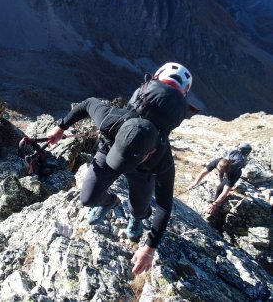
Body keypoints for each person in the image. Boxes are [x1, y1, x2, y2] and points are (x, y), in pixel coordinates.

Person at [47, 62, 193, 275]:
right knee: (87, 199)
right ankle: (111, 202)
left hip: (139, 168)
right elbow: (88, 103)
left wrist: (150, 248)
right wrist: (60, 126)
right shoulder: (111, 120)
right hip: (111, 150)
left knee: (140, 210)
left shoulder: (161, 159)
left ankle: (137, 216)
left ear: (148, 153)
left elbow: (163, 206)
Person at [186, 142, 252, 214]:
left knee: (220, 188)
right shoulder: (216, 161)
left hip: (234, 173)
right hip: (227, 167)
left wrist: (214, 204)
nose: (220, 171)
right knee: (221, 182)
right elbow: (203, 173)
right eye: (219, 169)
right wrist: (194, 183)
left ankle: (216, 207)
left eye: (222, 171)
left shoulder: (234, 173)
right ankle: (217, 199)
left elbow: (225, 192)